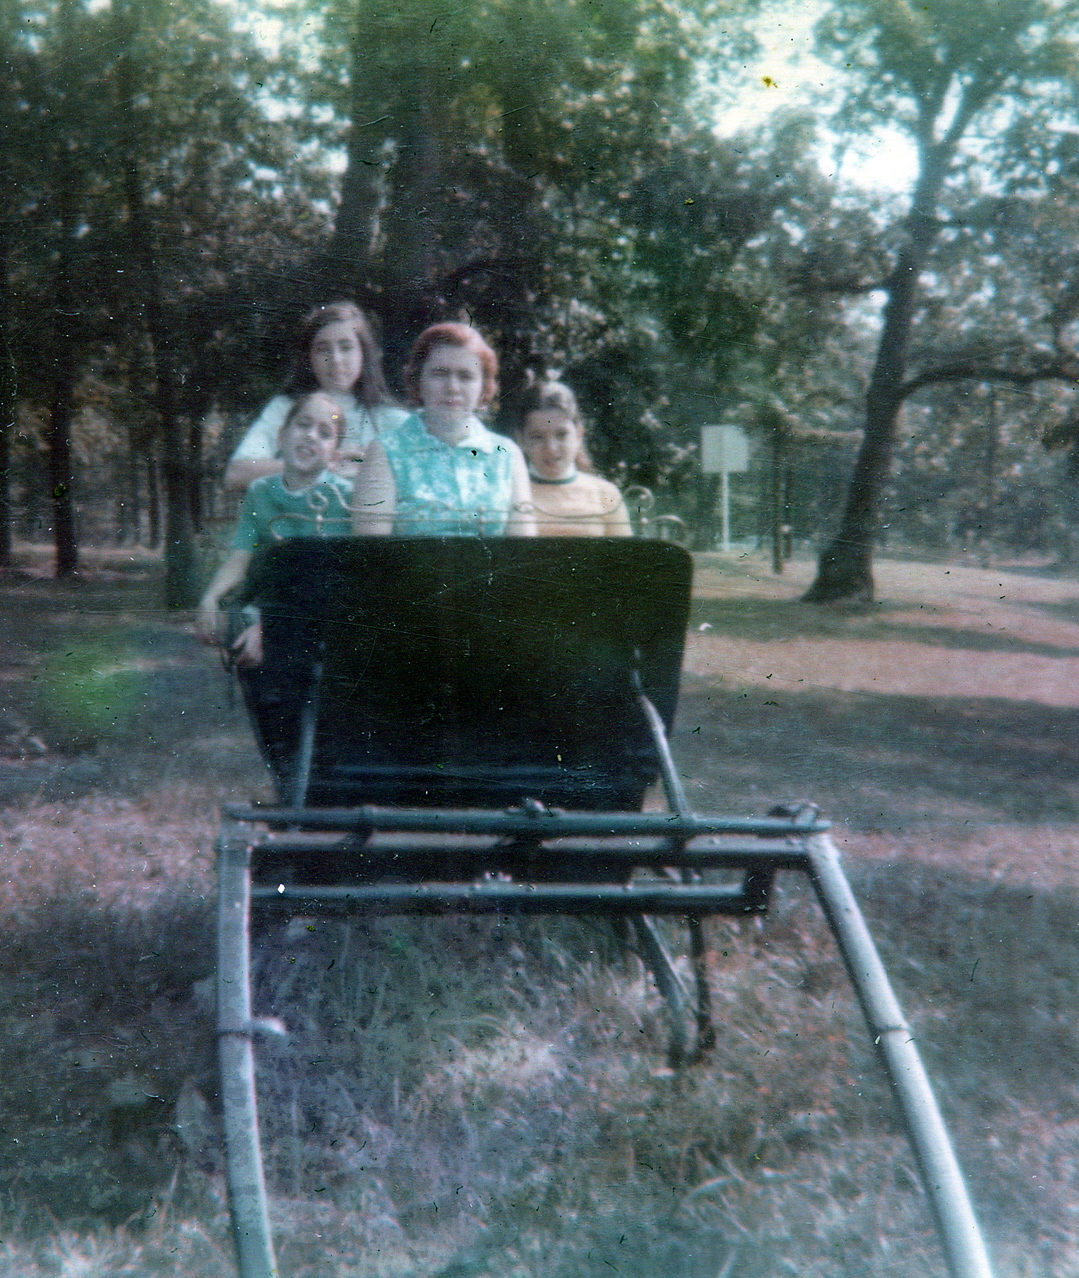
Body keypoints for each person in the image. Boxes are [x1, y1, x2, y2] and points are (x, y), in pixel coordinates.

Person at [197, 392, 353, 665]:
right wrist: (210, 598)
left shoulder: (345, 499)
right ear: (281, 437)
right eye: (303, 425)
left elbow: (338, 582)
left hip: (328, 614)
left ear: (334, 457)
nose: (311, 436)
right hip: (278, 602)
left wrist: (269, 628)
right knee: (242, 639)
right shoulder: (261, 491)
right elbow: (240, 555)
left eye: (325, 433)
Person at [351, 322, 536, 536]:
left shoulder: (506, 454)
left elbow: (523, 551)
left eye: (465, 376)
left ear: (483, 387)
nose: (453, 387)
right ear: (418, 378)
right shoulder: (384, 452)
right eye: (440, 373)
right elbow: (371, 553)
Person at [223, 300, 407, 492]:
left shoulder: (390, 418)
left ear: (363, 353)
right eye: (323, 349)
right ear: (309, 357)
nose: (335, 359)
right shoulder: (286, 409)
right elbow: (236, 474)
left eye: (346, 347)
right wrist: (323, 466)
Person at [515, 378, 632, 536]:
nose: (551, 449)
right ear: (521, 440)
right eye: (537, 437)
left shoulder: (606, 494)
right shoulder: (510, 492)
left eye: (561, 435)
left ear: (578, 434)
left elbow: (625, 558)